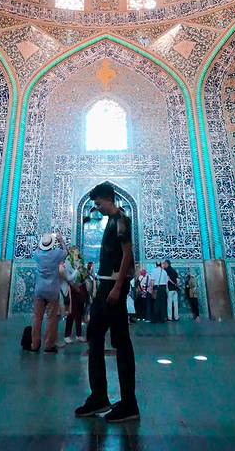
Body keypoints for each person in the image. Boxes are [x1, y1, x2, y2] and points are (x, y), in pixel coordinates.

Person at [75, 181, 139, 423]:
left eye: (98, 203)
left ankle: (127, 403)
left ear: (108, 199)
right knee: (97, 335)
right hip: (107, 286)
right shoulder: (112, 220)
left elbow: (127, 255)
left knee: (120, 341)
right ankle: (100, 397)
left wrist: (118, 287)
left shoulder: (121, 220)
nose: (97, 208)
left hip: (113, 288)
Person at [30, 232, 67, 353]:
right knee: (51, 318)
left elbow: (37, 248)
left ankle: (34, 345)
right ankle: (49, 345)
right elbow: (65, 252)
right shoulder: (56, 254)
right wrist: (60, 240)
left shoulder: (38, 254)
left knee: (37, 318)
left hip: (39, 290)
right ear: (52, 244)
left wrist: (43, 240)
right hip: (52, 291)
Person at [64, 246, 87, 343]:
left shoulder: (80, 262)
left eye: (78, 252)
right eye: (75, 252)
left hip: (81, 287)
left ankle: (78, 335)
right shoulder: (68, 263)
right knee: (72, 312)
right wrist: (77, 270)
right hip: (73, 288)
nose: (77, 254)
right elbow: (69, 278)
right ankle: (67, 335)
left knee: (79, 312)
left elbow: (84, 274)